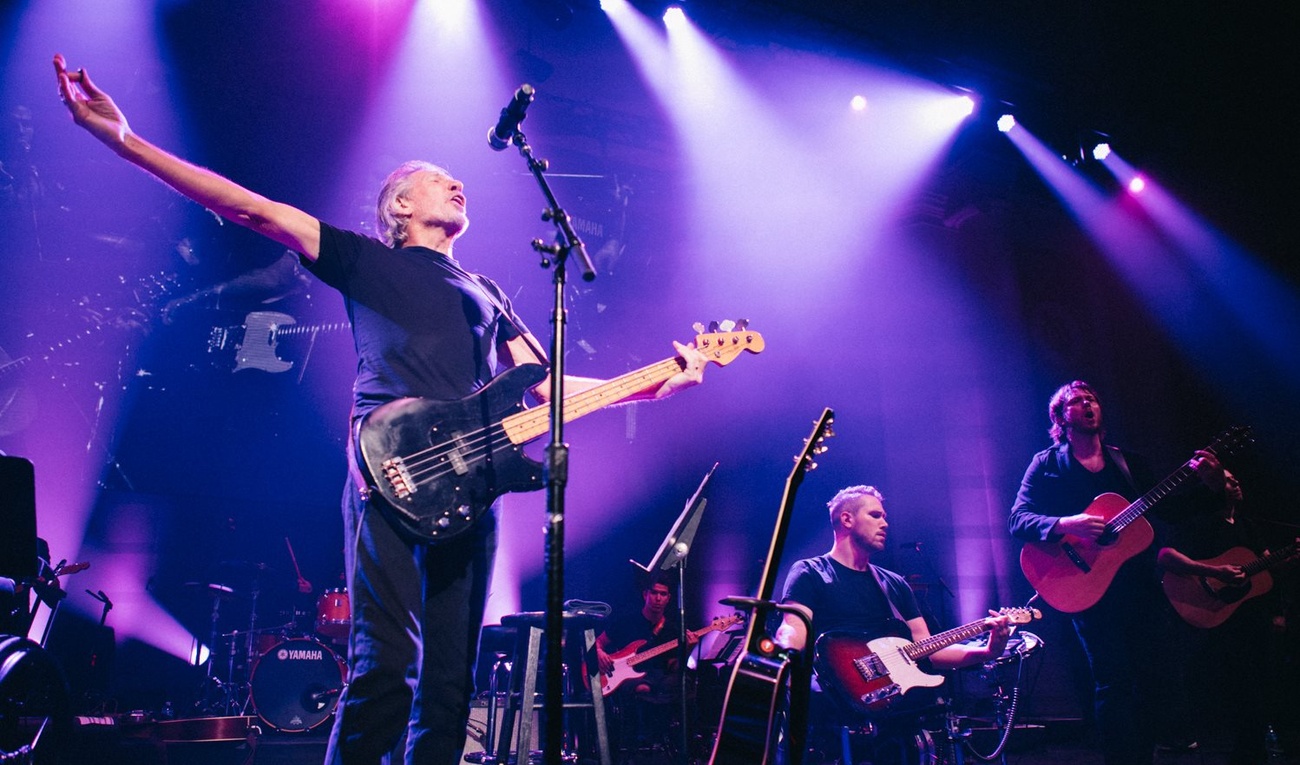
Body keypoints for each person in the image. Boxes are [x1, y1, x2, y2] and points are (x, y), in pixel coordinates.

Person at [54, 54, 709, 765]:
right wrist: (123, 138)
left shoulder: (487, 289)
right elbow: (247, 206)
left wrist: (657, 382)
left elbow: (547, 389)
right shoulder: (367, 260)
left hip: (473, 485)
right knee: (383, 668)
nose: (457, 183)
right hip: (390, 469)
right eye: (435, 177)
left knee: (451, 682)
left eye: (455, 180)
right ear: (399, 206)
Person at [1008, 380, 1225, 765]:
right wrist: (1067, 523)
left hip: (1139, 587)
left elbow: (1170, 509)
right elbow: (1019, 519)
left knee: (1156, 675)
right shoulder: (1046, 464)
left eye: (1092, 398)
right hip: (1086, 587)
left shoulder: (1128, 463)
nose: (1088, 404)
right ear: (1060, 416)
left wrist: (1210, 489)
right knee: (1113, 681)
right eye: (1077, 400)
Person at [776, 485, 1011, 757]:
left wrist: (987, 651)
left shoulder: (894, 584)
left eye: (885, 517)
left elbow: (927, 649)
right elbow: (793, 627)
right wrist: (784, 655)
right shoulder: (810, 572)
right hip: (832, 710)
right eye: (875, 515)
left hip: (893, 716)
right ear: (847, 520)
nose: (885, 523)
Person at [1157, 470, 1296, 764]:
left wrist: (1290, 560)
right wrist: (1214, 572)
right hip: (1220, 619)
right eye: (1230, 480)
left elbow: (1267, 566)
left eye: (1236, 479)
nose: (1237, 483)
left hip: (1252, 618)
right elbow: (1166, 556)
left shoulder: (1248, 525)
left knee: (1268, 684)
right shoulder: (1199, 522)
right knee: (1241, 689)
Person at [595, 574, 698, 760]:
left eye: (663, 594)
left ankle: (673, 746)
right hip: (625, 679)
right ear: (645, 594)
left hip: (660, 680)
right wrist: (600, 654)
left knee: (683, 682)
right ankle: (642, 743)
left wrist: (688, 649)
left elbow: (675, 667)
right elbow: (597, 643)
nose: (658, 598)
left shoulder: (673, 630)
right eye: (654, 593)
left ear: (669, 598)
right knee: (643, 686)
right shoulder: (626, 620)